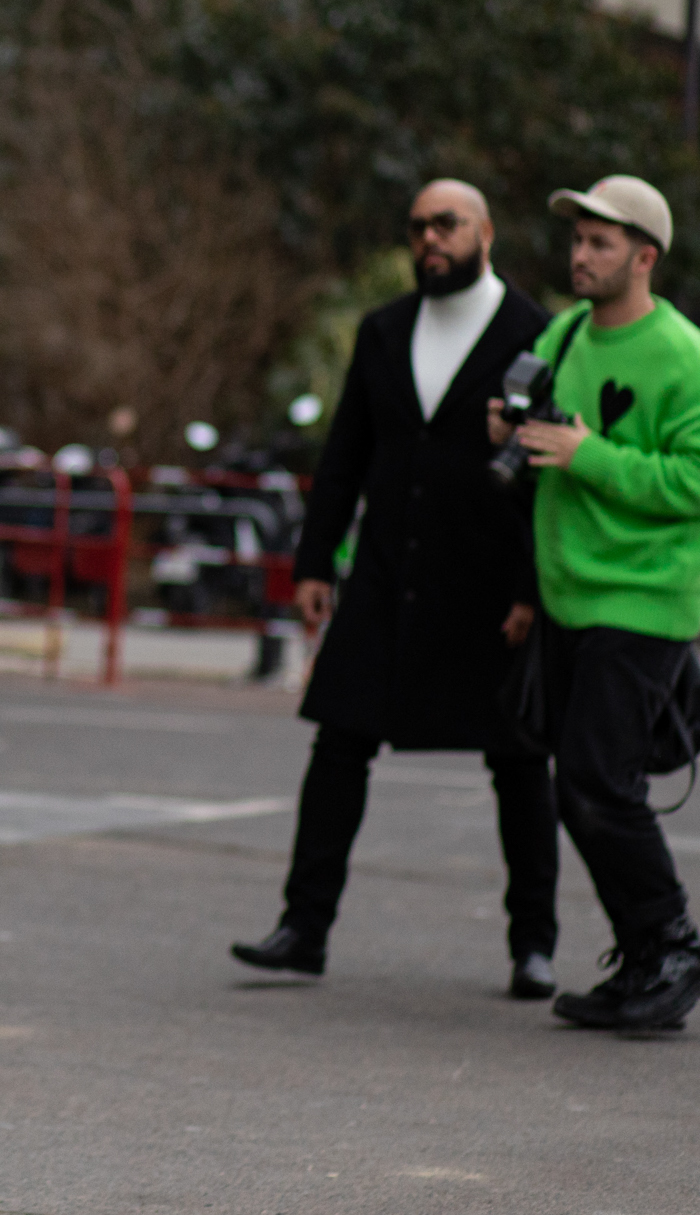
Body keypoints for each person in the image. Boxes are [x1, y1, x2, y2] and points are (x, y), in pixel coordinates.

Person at [233, 180, 559, 997]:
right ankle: (303, 929)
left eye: (445, 224)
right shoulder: (383, 331)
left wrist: (532, 586)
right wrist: (314, 563)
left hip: (491, 582)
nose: (429, 240)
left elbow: (547, 476)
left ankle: (534, 943)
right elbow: (346, 450)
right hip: (387, 571)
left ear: (486, 230)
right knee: (338, 741)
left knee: (518, 760)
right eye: (417, 228)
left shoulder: (538, 333)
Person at [488, 176, 700, 1032]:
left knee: (595, 783)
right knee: (580, 788)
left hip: (645, 598)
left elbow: (691, 479)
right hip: (568, 594)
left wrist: (589, 454)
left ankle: (673, 946)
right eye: (576, 240)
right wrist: (510, 430)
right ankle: (646, 955)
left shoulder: (683, 352)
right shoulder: (564, 332)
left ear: (644, 257)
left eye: (601, 242)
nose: (580, 255)